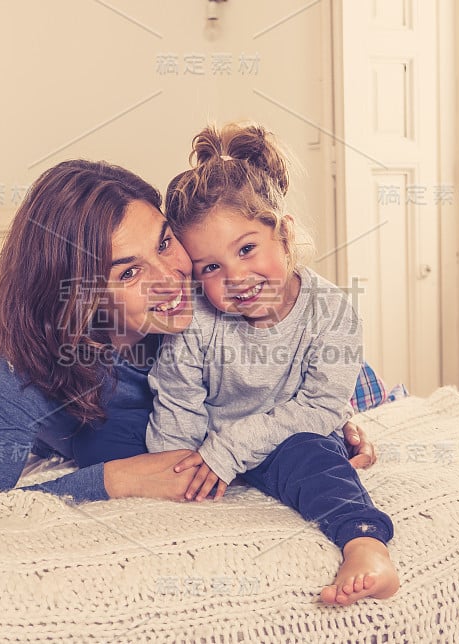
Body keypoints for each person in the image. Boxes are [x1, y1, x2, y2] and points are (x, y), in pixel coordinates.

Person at [0, 159, 376, 508]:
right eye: (129, 271)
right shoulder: (33, 364)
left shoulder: (210, 305)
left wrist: (333, 419)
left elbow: (304, 355)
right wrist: (115, 479)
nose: (171, 279)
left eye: (165, 244)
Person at [146, 123, 399, 606]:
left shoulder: (332, 310)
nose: (236, 277)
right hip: (214, 445)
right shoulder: (197, 320)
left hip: (291, 438)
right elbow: (177, 402)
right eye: (211, 268)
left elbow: (321, 408)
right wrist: (179, 468)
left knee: (317, 458)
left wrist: (233, 448)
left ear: (283, 233)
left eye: (246, 249)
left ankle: (366, 546)